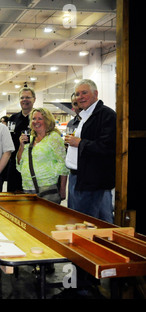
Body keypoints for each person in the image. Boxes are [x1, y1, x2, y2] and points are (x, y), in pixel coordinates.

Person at [65, 79, 116, 223]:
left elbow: (108, 147)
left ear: (95, 93)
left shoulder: (107, 115)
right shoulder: (85, 116)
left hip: (93, 181)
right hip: (79, 178)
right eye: (77, 94)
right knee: (79, 220)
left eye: (84, 93)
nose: (80, 97)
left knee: (90, 223)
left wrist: (81, 143)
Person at [16, 108, 69, 204]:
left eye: (40, 118)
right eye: (33, 119)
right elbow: (19, 163)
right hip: (27, 187)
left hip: (47, 188)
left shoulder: (53, 137)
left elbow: (63, 165)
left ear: (47, 120)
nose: (36, 122)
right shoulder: (30, 139)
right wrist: (21, 146)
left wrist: (62, 190)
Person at [7, 87, 36, 192]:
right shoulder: (12, 119)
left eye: (28, 97)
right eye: (22, 97)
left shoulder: (38, 119)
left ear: (34, 99)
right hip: (14, 164)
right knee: (12, 197)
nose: (25, 100)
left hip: (33, 165)